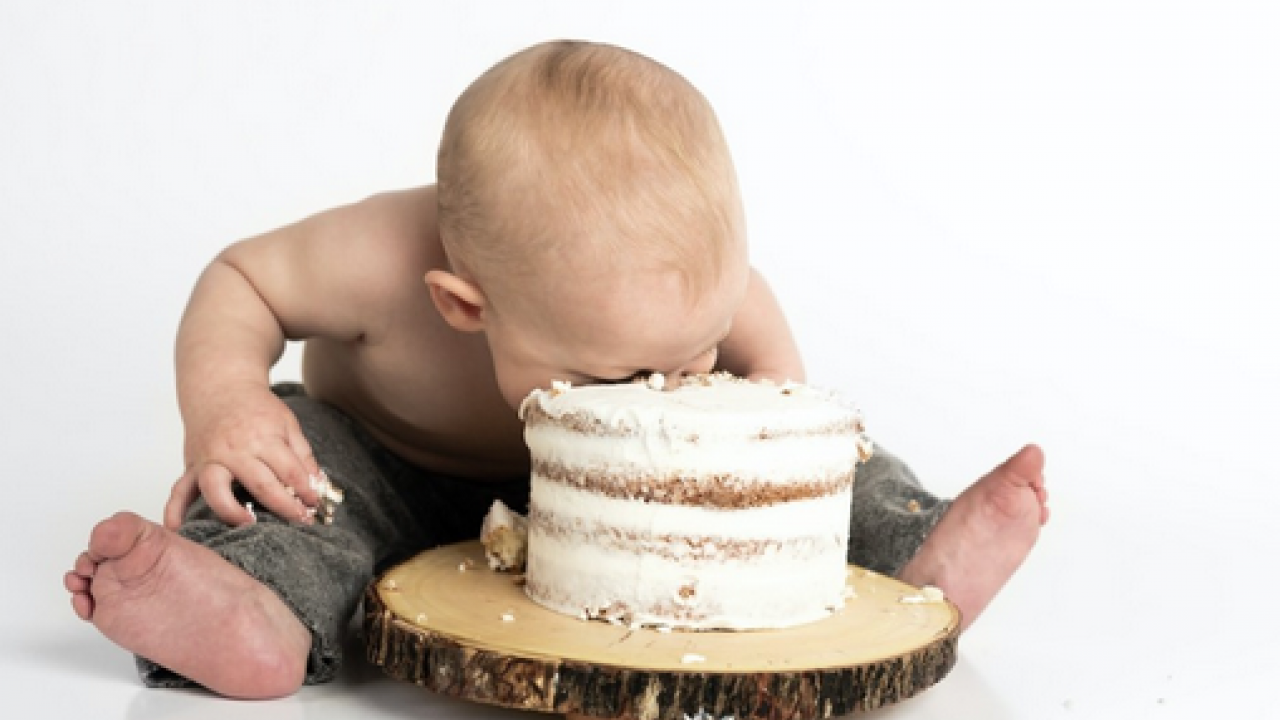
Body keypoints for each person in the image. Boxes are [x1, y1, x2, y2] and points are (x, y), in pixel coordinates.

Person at [64, 40, 1049, 700]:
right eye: (615, 376)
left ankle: (912, 551)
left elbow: (767, 364)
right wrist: (225, 402)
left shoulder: (683, 288)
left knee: (831, 460)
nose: (658, 391)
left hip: (631, 503)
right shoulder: (374, 258)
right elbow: (240, 280)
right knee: (292, 482)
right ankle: (250, 608)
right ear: (464, 304)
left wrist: (765, 431)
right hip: (388, 467)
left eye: (694, 351)